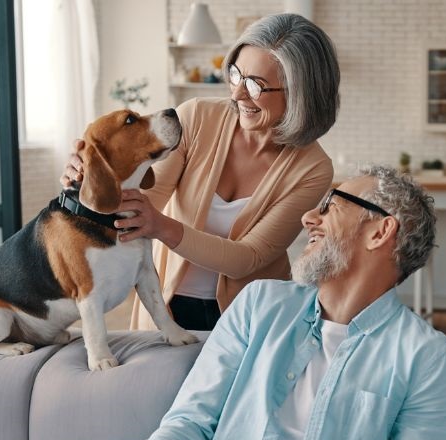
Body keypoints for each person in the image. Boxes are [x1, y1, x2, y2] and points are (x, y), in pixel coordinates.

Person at [58, 166, 446, 440]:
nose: (310, 217)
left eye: (330, 206)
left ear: (381, 231)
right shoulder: (259, 305)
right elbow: (191, 421)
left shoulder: (427, 358)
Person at [62, 13, 340, 331]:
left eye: (255, 85)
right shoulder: (196, 117)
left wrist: (162, 226)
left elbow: (247, 258)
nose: (236, 95)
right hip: (167, 305)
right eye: (236, 75)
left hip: (251, 319)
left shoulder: (314, 169)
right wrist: (92, 173)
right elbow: (141, 200)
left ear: (300, 93)